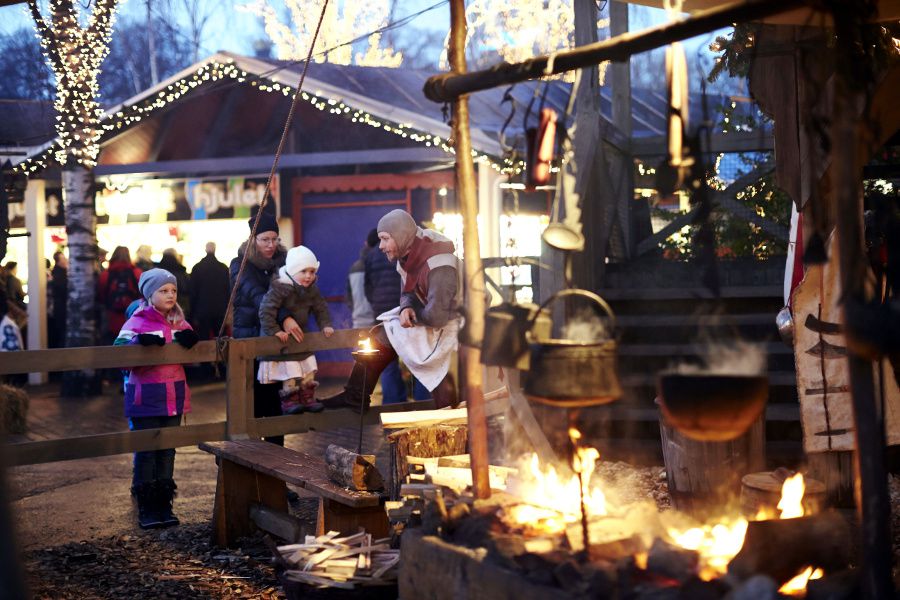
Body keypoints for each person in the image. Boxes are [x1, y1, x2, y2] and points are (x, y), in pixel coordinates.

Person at [324, 209, 460, 411]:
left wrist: (413, 315)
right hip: (434, 317)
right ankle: (356, 394)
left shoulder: (439, 264)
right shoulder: (407, 259)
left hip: (457, 325)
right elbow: (407, 291)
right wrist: (406, 307)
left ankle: (450, 416)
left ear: (401, 235)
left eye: (385, 239)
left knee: (443, 383)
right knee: (383, 332)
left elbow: (437, 316)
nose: (381, 246)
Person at [114, 268, 199, 529]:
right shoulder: (137, 320)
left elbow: (189, 344)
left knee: (167, 450)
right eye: (163, 290)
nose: (170, 295)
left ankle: (164, 504)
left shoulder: (179, 321)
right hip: (146, 397)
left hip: (173, 395)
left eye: (173, 290)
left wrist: (192, 340)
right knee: (147, 451)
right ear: (150, 294)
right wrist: (139, 343)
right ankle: (147, 507)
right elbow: (117, 350)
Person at [230, 209, 301, 447]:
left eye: (274, 239)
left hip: (275, 341)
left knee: (275, 409)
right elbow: (259, 297)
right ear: (253, 239)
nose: (270, 245)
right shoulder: (240, 265)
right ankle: (251, 470)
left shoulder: (284, 262)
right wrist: (286, 318)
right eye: (264, 240)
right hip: (249, 340)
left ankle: (275, 476)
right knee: (252, 407)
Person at [258, 245, 334, 414]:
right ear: (292, 271)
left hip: (300, 337)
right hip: (282, 340)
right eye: (303, 271)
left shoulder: (311, 290)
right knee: (290, 371)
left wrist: (326, 325)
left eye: (312, 271)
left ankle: (307, 396)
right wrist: (274, 331)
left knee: (308, 368)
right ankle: (290, 400)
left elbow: (320, 308)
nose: (308, 276)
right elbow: (266, 310)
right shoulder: (280, 287)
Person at [364, 228, 427, 404]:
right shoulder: (406, 251)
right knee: (418, 359)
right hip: (408, 313)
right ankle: (424, 405)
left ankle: (393, 405)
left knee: (388, 363)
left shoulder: (370, 256)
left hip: (384, 315)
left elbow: (367, 287)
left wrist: (377, 307)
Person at [97, 246, 143, 345]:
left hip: (111, 318)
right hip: (133, 318)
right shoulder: (137, 273)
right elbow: (143, 295)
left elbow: (101, 295)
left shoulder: (105, 275)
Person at [189, 242, 230, 340]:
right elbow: (228, 290)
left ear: (205, 250)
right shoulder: (223, 268)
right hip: (220, 311)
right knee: (220, 341)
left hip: (202, 311)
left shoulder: (197, 268)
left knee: (203, 340)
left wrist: (192, 313)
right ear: (215, 250)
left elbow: (193, 292)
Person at [346, 234, 375, 329]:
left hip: (358, 321)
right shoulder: (380, 264)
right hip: (377, 322)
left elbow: (348, 296)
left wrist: (355, 310)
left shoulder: (354, 267)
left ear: (366, 244)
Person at [157, 249, 191, 318]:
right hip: (177, 306)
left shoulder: (156, 271)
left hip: (159, 306)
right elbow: (186, 289)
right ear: (176, 256)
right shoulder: (181, 271)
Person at [49, 251, 68, 348]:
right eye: (63, 258)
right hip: (61, 308)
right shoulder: (59, 274)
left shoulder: (58, 273)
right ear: (58, 261)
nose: (66, 260)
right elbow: (63, 290)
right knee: (62, 333)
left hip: (60, 308)